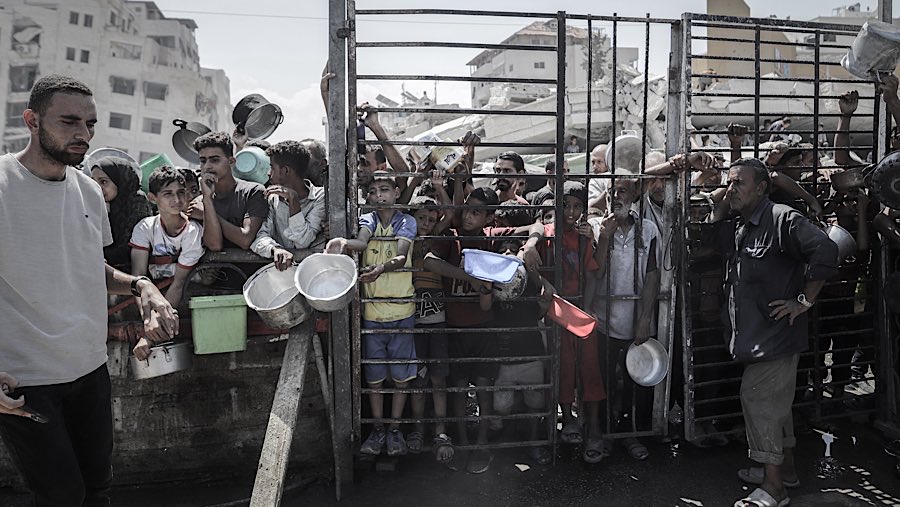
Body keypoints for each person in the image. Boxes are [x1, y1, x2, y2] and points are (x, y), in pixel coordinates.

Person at [0, 74, 176, 506]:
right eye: (69, 122)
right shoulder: (3, 186)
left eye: (91, 124)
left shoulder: (88, 192)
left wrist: (140, 285)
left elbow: (85, 266)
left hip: (89, 368)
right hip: (26, 379)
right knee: (62, 495)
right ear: (32, 121)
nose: (84, 134)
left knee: (98, 487)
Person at [699, 157, 838, 507]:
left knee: (758, 400)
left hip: (774, 338)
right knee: (774, 406)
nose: (731, 188)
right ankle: (784, 469)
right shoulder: (743, 224)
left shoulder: (782, 218)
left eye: (738, 183)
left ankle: (774, 487)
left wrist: (804, 300)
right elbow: (716, 242)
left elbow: (826, 248)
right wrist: (717, 205)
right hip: (757, 336)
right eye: (729, 182)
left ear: (761, 188)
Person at [423, 184, 543, 474]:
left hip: (484, 328)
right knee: (459, 390)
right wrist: (468, 276)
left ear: (489, 218)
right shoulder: (453, 239)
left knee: (485, 389)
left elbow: (538, 224)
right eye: (467, 210)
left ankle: (482, 444)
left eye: (476, 212)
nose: (468, 217)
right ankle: (463, 443)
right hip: (455, 328)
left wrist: (530, 246)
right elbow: (428, 260)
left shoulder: (493, 238)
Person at [326, 172, 417, 457]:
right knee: (375, 376)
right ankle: (379, 430)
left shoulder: (406, 221)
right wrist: (342, 242)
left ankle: (394, 429)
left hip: (402, 308)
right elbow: (362, 243)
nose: (379, 196)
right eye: (374, 191)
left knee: (401, 377)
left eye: (385, 190)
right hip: (373, 311)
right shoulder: (369, 220)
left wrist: (380, 269)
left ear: (395, 192)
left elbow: (401, 256)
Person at [590, 177, 660, 462]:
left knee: (636, 383)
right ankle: (605, 434)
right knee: (604, 380)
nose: (616, 196)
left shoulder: (649, 230)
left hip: (635, 320)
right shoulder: (597, 228)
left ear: (634, 197)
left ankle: (632, 434)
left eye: (623, 191)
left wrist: (644, 317)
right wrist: (605, 236)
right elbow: (596, 272)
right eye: (612, 191)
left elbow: (653, 276)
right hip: (604, 319)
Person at [543, 181, 606, 464]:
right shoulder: (547, 235)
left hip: (579, 308)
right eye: (565, 205)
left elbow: (592, 275)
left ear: (584, 209)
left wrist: (589, 309)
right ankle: (568, 419)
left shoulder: (584, 238)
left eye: (577, 206)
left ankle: (593, 427)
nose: (570, 211)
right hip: (557, 310)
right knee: (564, 366)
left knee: (590, 368)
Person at [407, 190, 454, 463]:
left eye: (429, 218)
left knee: (438, 377)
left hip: (436, 321)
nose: (425, 223)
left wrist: (439, 188)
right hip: (412, 321)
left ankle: (440, 431)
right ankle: (417, 429)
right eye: (420, 217)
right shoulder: (404, 241)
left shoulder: (435, 238)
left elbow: (449, 211)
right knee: (417, 378)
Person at [129, 165, 205, 313]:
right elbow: (138, 276)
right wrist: (147, 318)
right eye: (168, 194)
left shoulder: (192, 231)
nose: (176, 199)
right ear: (152, 198)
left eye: (181, 192)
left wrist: (161, 318)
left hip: (185, 295)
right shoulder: (145, 227)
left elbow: (179, 282)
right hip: (152, 293)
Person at [250, 141, 326, 269]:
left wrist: (293, 201)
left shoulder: (320, 197)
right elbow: (259, 237)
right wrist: (275, 249)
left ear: (285, 171)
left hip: (313, 272)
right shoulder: (272, 197)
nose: (269, 173)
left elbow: (302, 242)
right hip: (280, 275)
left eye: (272, 167)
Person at [193, 131, 267, 252]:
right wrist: (207, 201)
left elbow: (245, 240)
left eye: (214, 160)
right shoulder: (200, 201)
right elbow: (214, 245)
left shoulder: (253, 192)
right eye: (203, 161)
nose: (207, 166)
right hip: (213, 270)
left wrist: (205, 214)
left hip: (250, 271)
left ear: (231, 162)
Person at [90, 157, 153, 270]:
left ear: (120, 181)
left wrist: (95, 255)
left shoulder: (137, 201)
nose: (97, 187)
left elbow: (128, 248)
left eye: (103, 182)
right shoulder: (101, 203)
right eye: (92, 181)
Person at [587, 143, 609, 211]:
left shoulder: (597, 179)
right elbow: (592, 207)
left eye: (599, 162)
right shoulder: (595, 180)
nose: (595, 166)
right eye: (593, 162)